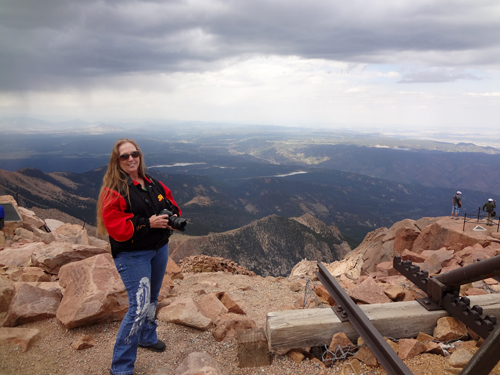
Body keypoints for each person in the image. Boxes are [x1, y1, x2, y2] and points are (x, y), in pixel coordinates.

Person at [96, 138, 181, 375]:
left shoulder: (152, 183)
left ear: (140, 156)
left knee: (152, 298)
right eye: (124, 156)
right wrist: (148, 223)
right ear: (117, 161)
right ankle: (121, 367)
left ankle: (147, 336)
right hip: (133, 255)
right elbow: (116, 227)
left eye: (134, 154)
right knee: (138, 307)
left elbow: (172, 204)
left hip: (159, 249)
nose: (131, 159)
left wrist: (171, 218)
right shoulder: (114, 190)